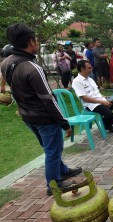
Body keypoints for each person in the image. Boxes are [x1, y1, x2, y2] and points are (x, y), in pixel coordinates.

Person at [1, 23, 81, 196]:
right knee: (53, 151)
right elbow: (49, 99)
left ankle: (63, 170)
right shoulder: (32, 68)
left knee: (49, 148)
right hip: (44, 119)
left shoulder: (6, 62)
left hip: (27, 116)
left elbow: (14, 90)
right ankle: (54, 185)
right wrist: (64, 124)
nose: (37, 42)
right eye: (36, 39)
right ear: (31, 41)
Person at [72, 60, 113, 133]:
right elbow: (85, 98)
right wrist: (102, 102)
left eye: (91, 68)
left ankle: (107, 125)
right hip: (91, 105)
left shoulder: (90, 79)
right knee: (109, 114)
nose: (91, 70)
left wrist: (104, 97)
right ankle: (108, 125)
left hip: (101, 101)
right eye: (89, 68)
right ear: (82, 69)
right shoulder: (77, 81)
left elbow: (95, 93)